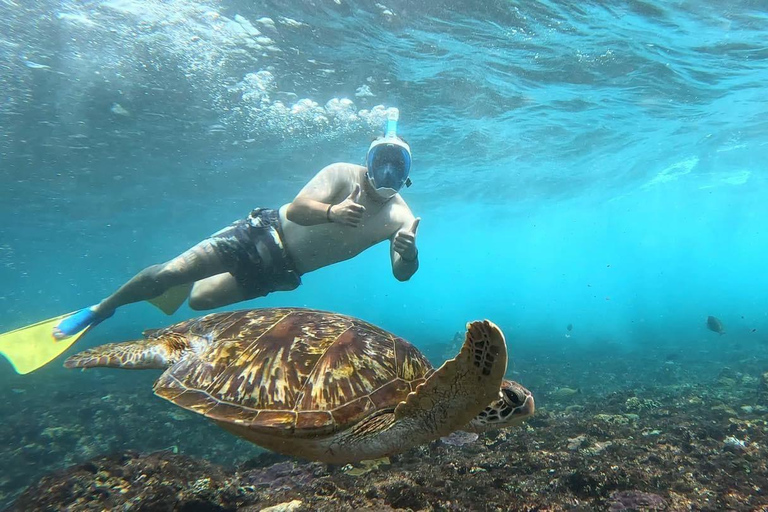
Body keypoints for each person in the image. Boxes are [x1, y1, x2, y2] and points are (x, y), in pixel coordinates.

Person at [52, 108, 420, 339]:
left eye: (396, 166)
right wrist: (330, 213)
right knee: (168, 275)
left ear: (407, 174)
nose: (386, 173)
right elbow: (295, 210)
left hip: (282, 271)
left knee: (198, 299)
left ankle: (199, 269)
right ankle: (102, 309)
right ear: (367, 161)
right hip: (262, 234)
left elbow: (402, 275)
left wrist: (409, 253)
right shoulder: (342, 174)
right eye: (380, 162)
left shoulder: (400, 217)